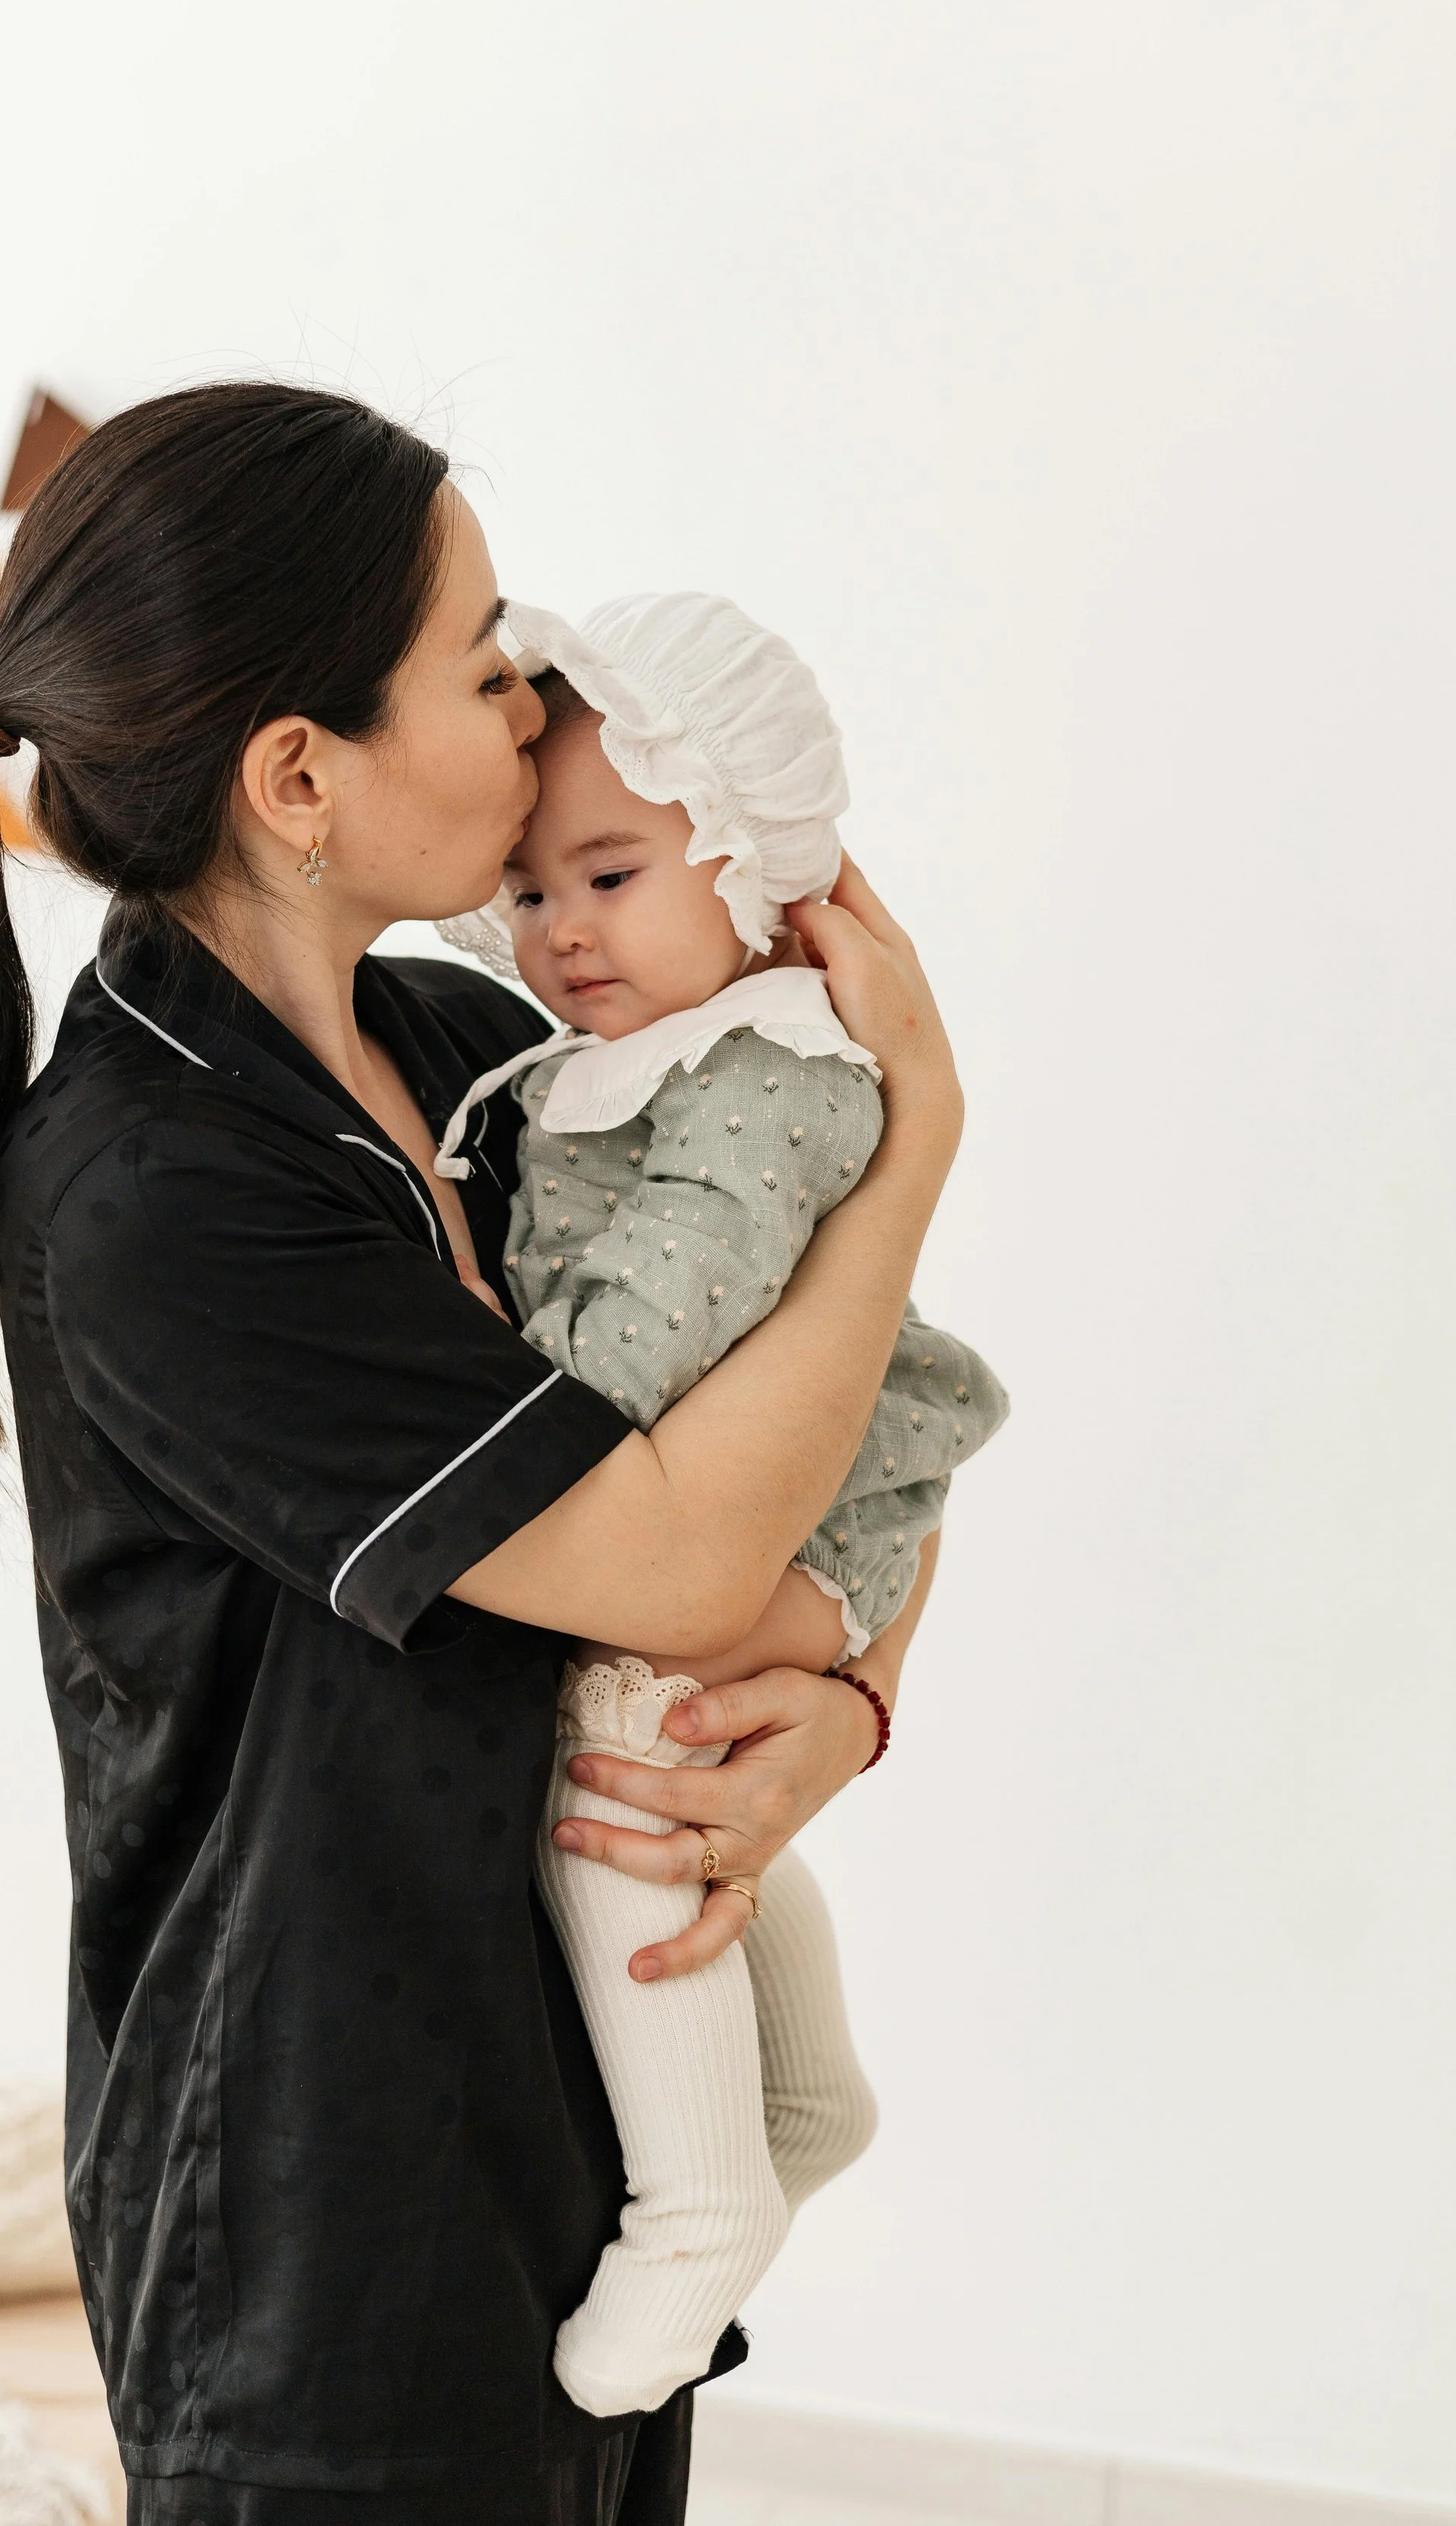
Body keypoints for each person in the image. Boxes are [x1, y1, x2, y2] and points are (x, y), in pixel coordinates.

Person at [0, 383, 967, 2526]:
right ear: (299, 778)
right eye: (477, 663)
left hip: (588, 2108)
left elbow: (854, 1419)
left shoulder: (475, 1055)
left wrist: (839, 1703)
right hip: (326, 2206)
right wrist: (911, 1137)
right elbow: (669, 1551)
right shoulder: (155, 1187)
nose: (527, 695)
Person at [426, 597, 1008, 2414]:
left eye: (607, 874)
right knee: (689, 1744)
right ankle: (799, 2104)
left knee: (614, 1727)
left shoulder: (762, 1068)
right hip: (814, 1531)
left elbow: (653, 1333)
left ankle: (697, 2199)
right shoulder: (609, 1062)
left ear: (751, 862)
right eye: (530, 893)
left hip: (805, 1522)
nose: (559, 932)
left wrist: (476, 1345)